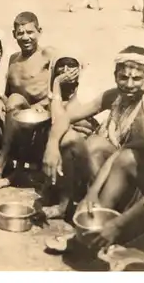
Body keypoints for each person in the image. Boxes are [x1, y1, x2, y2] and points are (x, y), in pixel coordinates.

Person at [43, 45, 144, 254]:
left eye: (137, 79)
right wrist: (51, 146)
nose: (129, 84)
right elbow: (67, 117)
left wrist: (94, 193)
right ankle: (81, 210)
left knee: (99, 145)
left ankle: (97, 223)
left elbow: (123, 157)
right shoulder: (114, 96)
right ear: (115, 76)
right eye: (123, 77)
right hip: (112, 171)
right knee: (71, 138)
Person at [0, 12, 56, 188]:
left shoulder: (48, 54)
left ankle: (0, 165)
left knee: (16, 100)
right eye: (20, 33)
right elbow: (7, 94)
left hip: (41, 116)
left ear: (39, 31)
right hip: (17, 114)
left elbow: (69, 76)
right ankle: (11, 165)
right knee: (2, 99)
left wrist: (44, 104)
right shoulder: (13, 59)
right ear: (14, 34)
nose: (25, 37)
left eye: (30, 32)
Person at [39, 56, 100, 219]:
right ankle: (61, 199)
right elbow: (57, 119)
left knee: (68, 137)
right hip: (69, 154)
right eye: (61, 67)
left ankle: (64, 204)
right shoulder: (52, 97)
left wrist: (58, 85)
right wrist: (57, 85)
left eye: (71, 67)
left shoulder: (85, 94)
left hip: (89, 155)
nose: (66, 71)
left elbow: (63, 118)